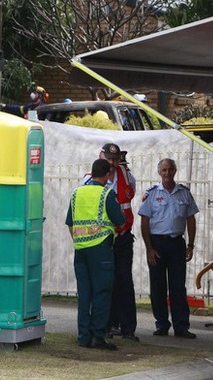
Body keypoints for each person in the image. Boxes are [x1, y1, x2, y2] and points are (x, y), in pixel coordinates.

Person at [66, 158, 125, 350]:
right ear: (107, 175)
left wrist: (79, 240)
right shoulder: (107, 194)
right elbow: (120, 219)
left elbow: (70, 223)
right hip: (100, 249)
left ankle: (84, 337)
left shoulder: (76, 193)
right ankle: (98, 336)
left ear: (91, 173)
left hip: (80, 250)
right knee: (102, 292)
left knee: (84, 294)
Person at [138, 158, 199, 339]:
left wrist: (190, 245)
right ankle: (162, 324)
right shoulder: (151, 193)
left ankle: (181, 327)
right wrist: (149, 248)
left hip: (176, 243)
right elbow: (144, 221)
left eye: (170, 170)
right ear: (159, 172)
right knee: (158, 287)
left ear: (175, 171)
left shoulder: (185, 193)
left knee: (178, 287)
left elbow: (191, 220)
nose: (167, 173)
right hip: (157, 243)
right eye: (164, 170)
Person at [88, 143, 139, 341]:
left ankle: (128, 329)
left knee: (125, 281)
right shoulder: (90, 178)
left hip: (123, 236)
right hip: (103, 239)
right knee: (105, 282)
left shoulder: (126, 175)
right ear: (101, 156)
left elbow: (130, 196)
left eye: (115, 159)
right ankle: (106, 325)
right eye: (109, 159)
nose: (112, 163)